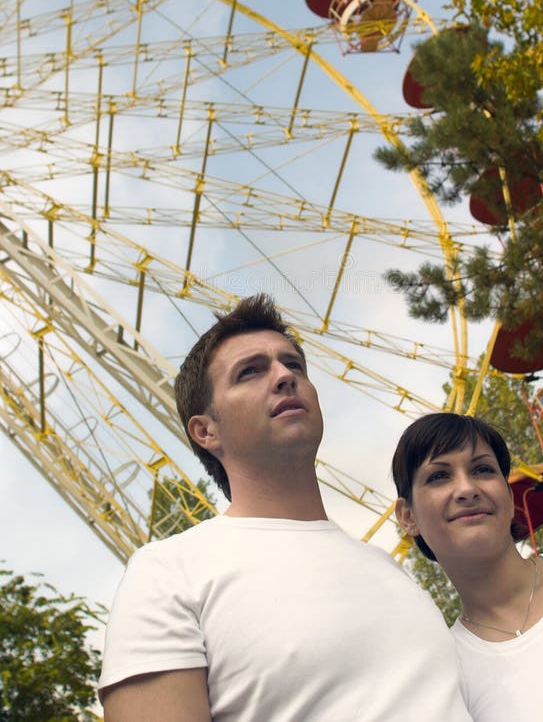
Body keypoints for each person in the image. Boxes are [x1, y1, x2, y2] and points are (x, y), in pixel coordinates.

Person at [99, 295, 472, 721]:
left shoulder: (389, 569)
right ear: (205, 430)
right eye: (250, 372)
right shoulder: (168, 574)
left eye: (293, 365)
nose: (283, 376)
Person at [392, 412, 543, 722]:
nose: (467, 489)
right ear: (407, 516)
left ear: (508, 491)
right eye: (439, 476)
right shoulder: (447, 685)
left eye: (483, 470)